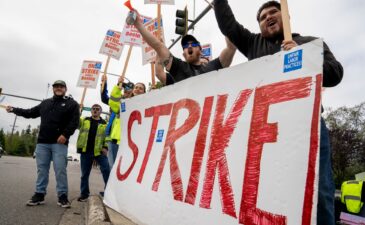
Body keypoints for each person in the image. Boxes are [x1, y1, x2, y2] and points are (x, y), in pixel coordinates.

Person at [213, 1, 344, 224]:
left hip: (307, 126)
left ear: (286, 15)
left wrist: (306, 58)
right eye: (262, 17)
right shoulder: (253, 43)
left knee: (318, 190)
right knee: (268, 191)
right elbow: (228, 25)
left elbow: (336, 73)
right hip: (266, 131)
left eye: (273, 12)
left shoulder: (312, 43)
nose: (268, 17)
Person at [6, 80, 80, 208]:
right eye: (56, 86)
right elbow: (30, 113)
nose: (58, 88)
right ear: (53, 89)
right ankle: (39, 194)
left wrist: (65, 135)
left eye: (61, 87)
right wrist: (13, 109)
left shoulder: (72, 104)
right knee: (42, 170)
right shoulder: (45, 103)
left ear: (65, 89)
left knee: (60, 170)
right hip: (42, 143)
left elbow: (74, 122)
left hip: (59, 143)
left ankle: (62, 196)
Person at [132, 10, 236, 85]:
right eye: (185, 46)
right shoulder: (179, 68)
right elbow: (158, 47)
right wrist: (138, 24)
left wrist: (221, 13)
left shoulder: (213, 66)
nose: (189, 46)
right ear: (183, 54)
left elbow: (231, 48)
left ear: (200, 50)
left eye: (193, 44)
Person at [76, 104, 110, 201]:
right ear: (91, 111)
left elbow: (107, 137)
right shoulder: (85, 120)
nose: (95, 110)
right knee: (84, 174)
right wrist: (78, 113)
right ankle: (84, 194)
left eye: (97, 109)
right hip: (86, 151)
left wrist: (105, 147)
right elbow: (76, 124)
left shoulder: (105, 123)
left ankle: (108, 193)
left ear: (100, 111)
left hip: (99, 152)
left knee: (106, 171)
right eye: (93, 109)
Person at [101, 76, 134, 169]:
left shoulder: (138, 102)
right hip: (114, 140)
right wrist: (115, 85)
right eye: (125, 88)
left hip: (129, 141)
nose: (126, 90)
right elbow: (109, 99)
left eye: (129, 88)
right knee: (112, 169)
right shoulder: (118, 102)